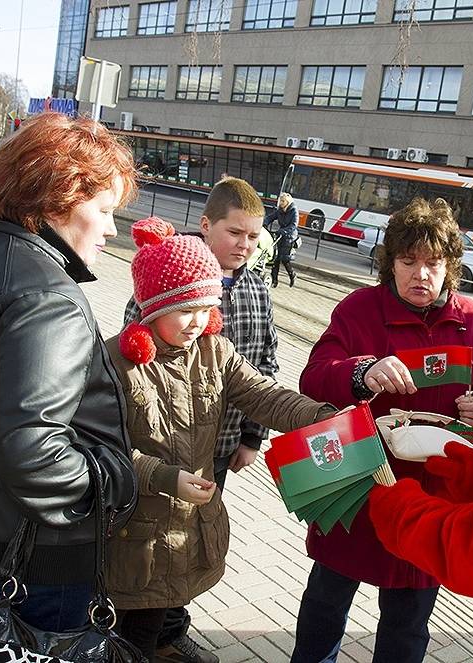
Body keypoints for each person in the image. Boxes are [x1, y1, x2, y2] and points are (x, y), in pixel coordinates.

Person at [0, 112, 139, 633]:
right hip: (33, 565)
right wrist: (111, 483)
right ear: (56, 198)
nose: (111, 228)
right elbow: (31, 450)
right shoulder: (47, 298)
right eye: (103, 210)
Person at [107, 217, 336, 663]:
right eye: (184, 309)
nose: (197, 323)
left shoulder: (216, 351)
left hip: (185, 522)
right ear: (151, 308)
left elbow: (266, 396)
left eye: (206, 309)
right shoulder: (117, 362)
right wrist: (166, 478)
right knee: (128, 634)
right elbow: (103, 451)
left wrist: (325, 418)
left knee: (158, 617)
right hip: (134, 531)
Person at [290, 197, 473, 663]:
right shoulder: (359, 310)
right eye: (408, 262)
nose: (420, 275)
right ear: (391, 263)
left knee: (408, 623)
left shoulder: (472, 321)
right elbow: (314, 374)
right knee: (327, 601)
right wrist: (361, 371)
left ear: (450, 266)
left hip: (429, 496)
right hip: (357, 484)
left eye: (432, 264)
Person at [121, 176, 281, 662]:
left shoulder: (256, 286)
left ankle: (170, 628)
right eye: (236, 233)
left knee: (194, 541)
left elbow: (266, 364)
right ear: (207, 225)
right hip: (166, 446)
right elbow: (139, 344)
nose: (246, 245)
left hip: (221, 443)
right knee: (155, 543)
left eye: (254, 237)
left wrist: (252, 436)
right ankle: (146, 631)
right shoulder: (168, 271)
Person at [265, 192, 298, 288]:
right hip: (280, 234)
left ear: (287, 202)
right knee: (276, 258)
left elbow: (294, 225)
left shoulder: (293, 210)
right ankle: (274, 280)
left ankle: (292, 275)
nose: (281, 203)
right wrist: (265, 222)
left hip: (289, 236)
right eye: (280, 201)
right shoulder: (280, 210)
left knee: (285, 259)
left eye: (283, 201)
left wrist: (283, 231)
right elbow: (271, 217)